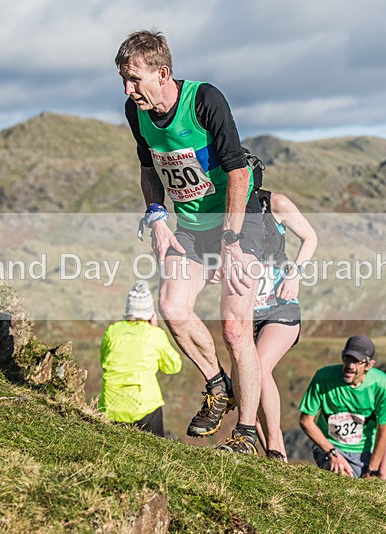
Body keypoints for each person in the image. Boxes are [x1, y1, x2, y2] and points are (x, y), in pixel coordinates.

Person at [116, 30, 265, 454]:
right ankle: (218, 385)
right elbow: (148, 167)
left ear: (163, 73)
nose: (128, 90)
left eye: (134, 79)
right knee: (172, 309)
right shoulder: (136, 110)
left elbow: (237, 171)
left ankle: (247, 434)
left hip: (240, 221)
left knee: (236, 329)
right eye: (124, 81)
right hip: (193, 226)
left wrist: (232, 241)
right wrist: (158, 216)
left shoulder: (204, 100)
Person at [252, 189, 318, 461]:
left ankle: (276, 442)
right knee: (246, 385)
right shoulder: (220, 207)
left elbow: (310, 237)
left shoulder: (273, 203)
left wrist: (296, 274)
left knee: (258, 366)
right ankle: (272, 457)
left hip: (281, 305)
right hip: (246, 311)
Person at [299, 335, 386, 478]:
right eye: (347, 359)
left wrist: (372, 469)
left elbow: (384, 431)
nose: (350, 366)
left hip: (363, 453)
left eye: (356, 362)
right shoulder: (323, 378)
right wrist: (332, 453)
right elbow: (305, 421)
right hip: (328, 447)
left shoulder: (383, 386)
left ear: (369, 365)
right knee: (340, 476)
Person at [98, 280, 182, 437]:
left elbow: (103, 361)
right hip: (145, 407)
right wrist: (156, 329)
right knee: (154, 452)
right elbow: (173, 366)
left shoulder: (112, 331)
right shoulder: (155, 334)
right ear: (150, 313)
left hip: (111, 406)